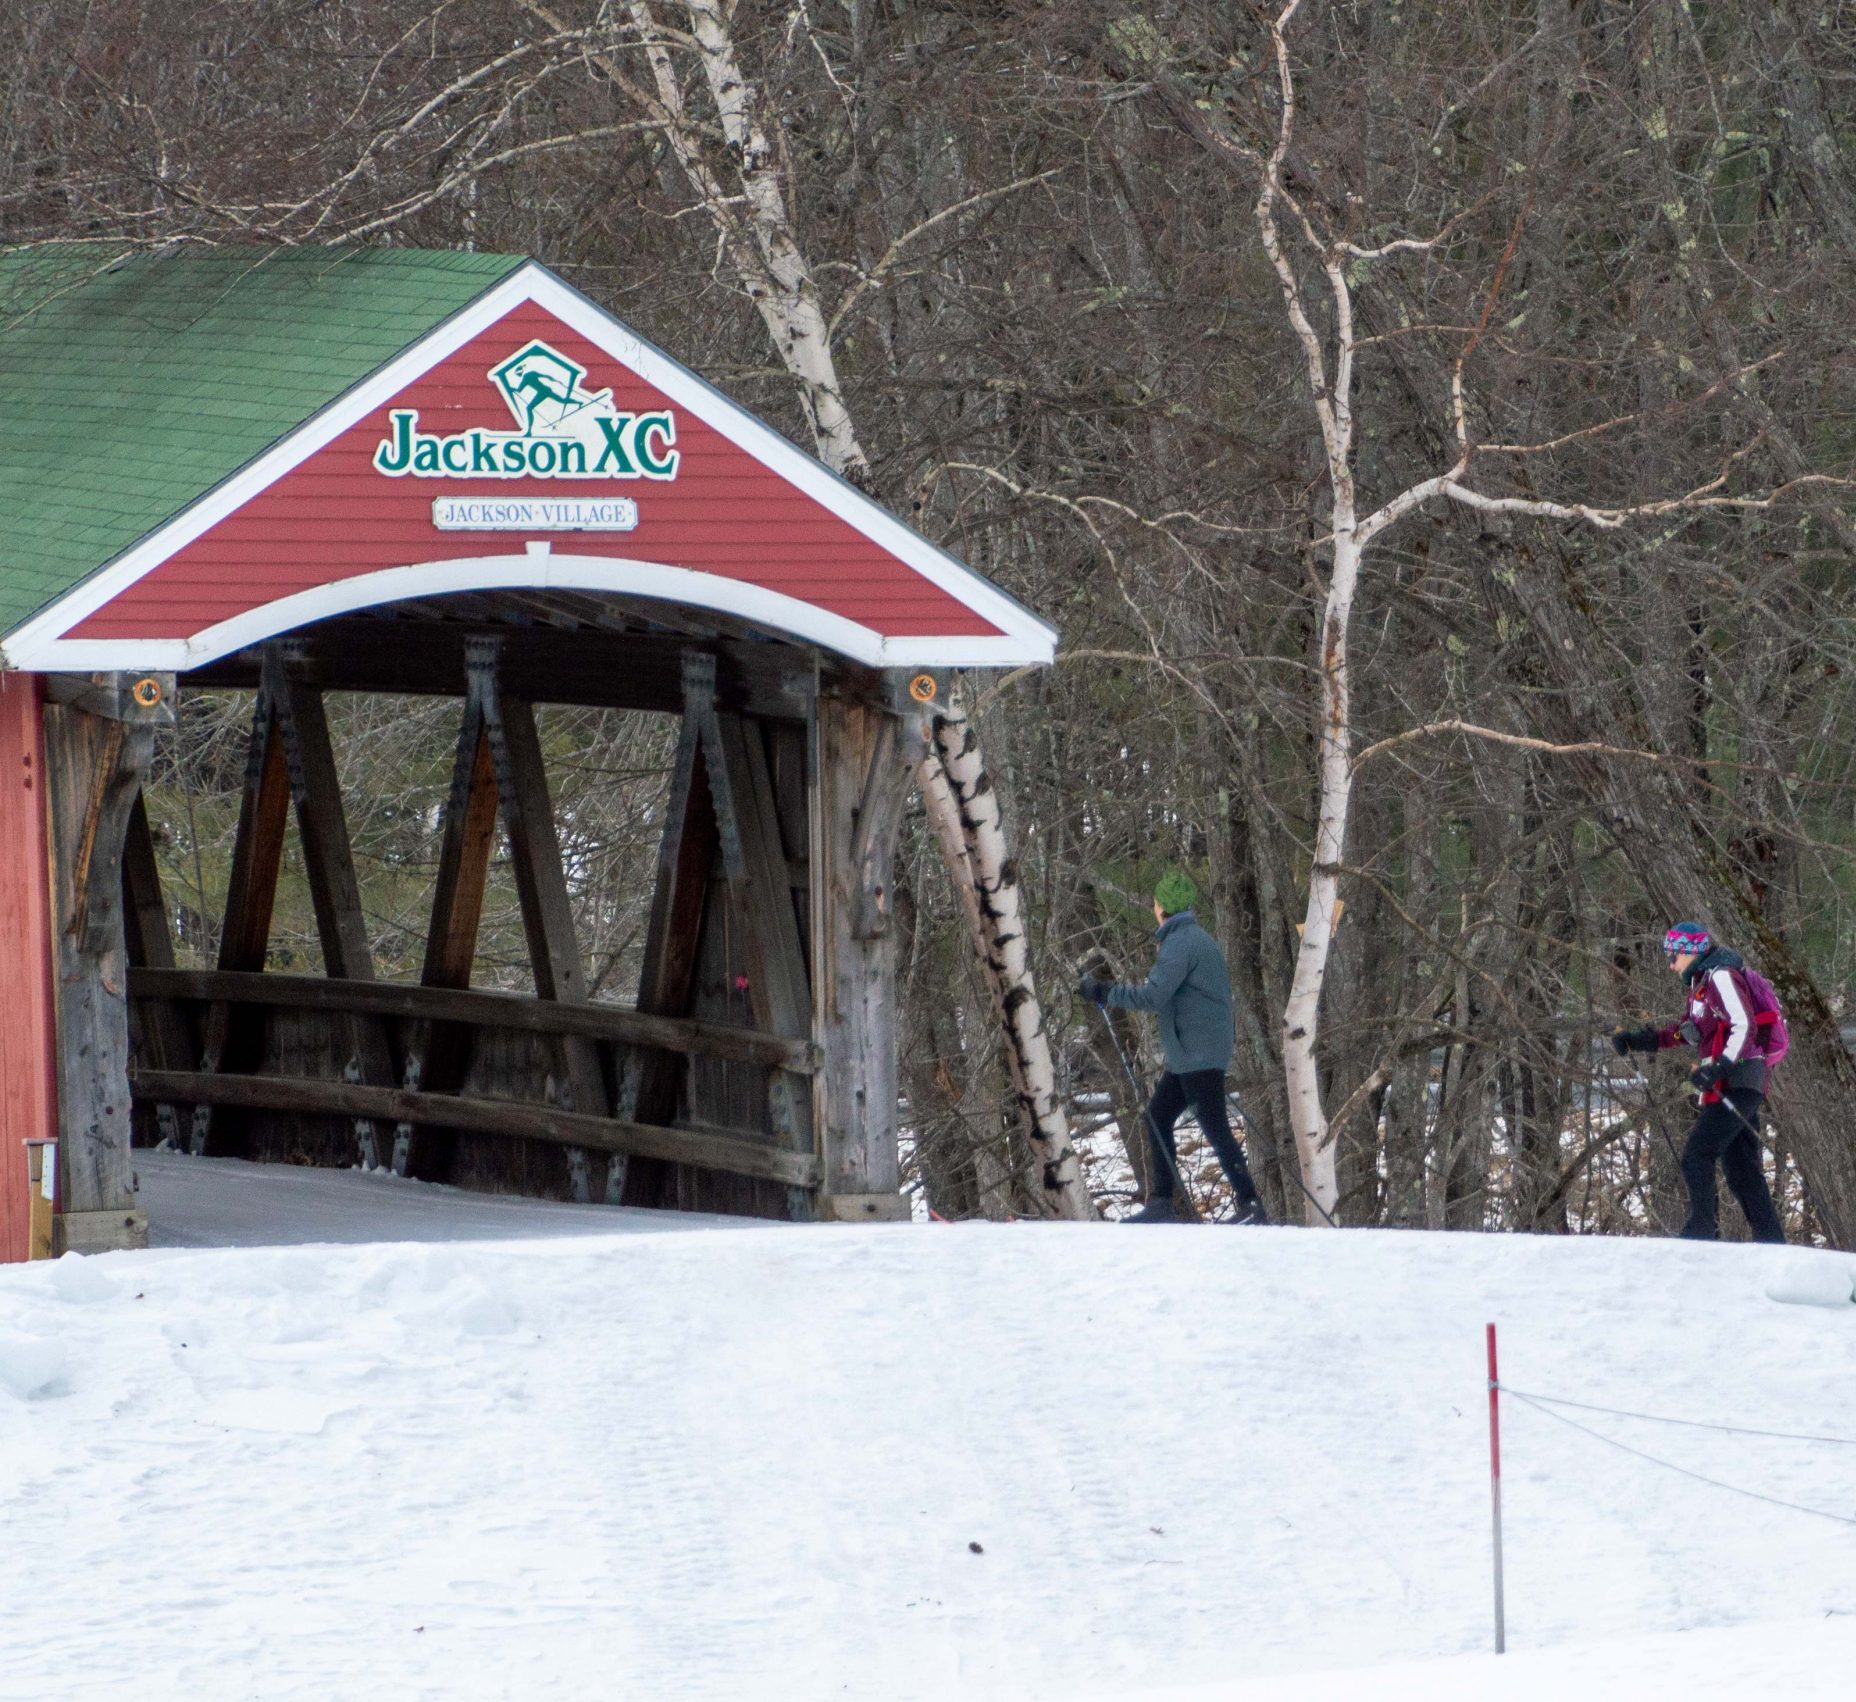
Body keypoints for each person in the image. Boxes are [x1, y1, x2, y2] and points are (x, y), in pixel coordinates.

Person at [1080, 871, 1267, 1224]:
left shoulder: (1181, 943)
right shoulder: (1191, 939)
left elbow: (1154, 994)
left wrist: (1106, 993)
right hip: (1192, 1053)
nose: (1153, 907)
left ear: (1162, 906)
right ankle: (1162, 1202)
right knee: (1159, 1115)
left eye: (1155, 902)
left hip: (1197, 1054)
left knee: (1214, 1128)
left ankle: (1251, 1204)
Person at [1612, 923, 1786, 1244]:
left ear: (1692, 951)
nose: (1670, 963)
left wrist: (1718, 1067)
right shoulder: (1700, 986)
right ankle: (1772, 1243)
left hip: (1739, 1077)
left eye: (1674, 955)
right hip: (1734, 1080)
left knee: (1697, 1154)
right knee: (1741, 1170)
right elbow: (1684, 1032)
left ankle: (1702, 1231)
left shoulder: (1720, 975)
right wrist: (1638, 1041)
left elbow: (1743, 1023)